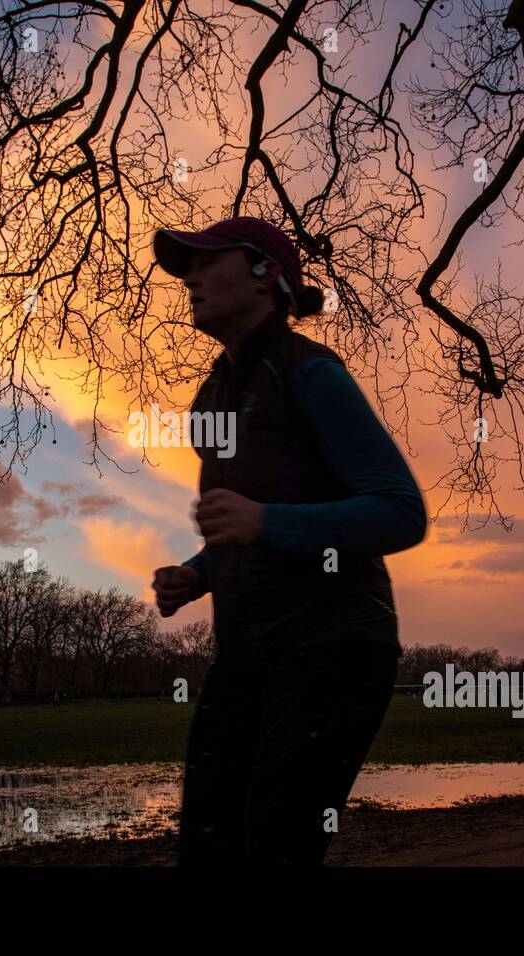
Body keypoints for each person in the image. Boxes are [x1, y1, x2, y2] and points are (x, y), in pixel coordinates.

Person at [150, 216, 428, 866]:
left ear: (264, 274)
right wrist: (200, 571)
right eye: (184, 266)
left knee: (274, 853)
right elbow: (246, 520)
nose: (189, 277)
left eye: (204, 261)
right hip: (246, 654)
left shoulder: (311, 372)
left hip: (333, 649)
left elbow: (400, 512)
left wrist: (266, 524)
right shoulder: (213, 395)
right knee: (207, 851)